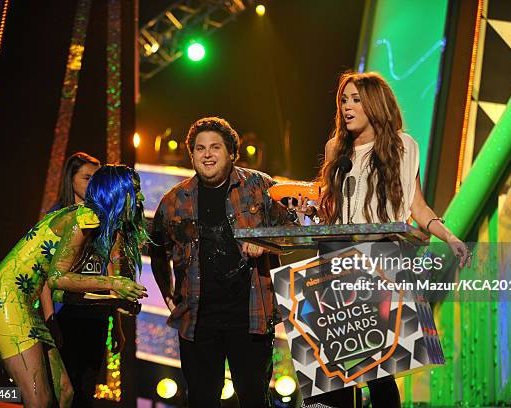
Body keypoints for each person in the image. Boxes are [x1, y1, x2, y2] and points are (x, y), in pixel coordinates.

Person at [313, 71, 471, 407]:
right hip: (334, 258)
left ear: (374, 104)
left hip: (380, 260)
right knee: (335, 369)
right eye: (343, 100)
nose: (347, 107)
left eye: (356, 100)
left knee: (378, 370)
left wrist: (449, 235)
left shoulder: (403, 146)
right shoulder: (335, 148)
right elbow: (327, 205)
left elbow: (417, 205)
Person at [150, 117, 297, 408]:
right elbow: (157, 249)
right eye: (200, 148)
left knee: (255, 398)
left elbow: (292, 230)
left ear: (231, 152)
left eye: (215, 147)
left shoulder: (260, 185)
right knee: (202, 401)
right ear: (191, 154)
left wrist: (264, 241)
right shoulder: (173, 200)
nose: (207, 154)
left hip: (250, 318)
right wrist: (168, 296)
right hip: (197, 321)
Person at [0, 165, 149, 408]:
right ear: (115, 192)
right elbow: (57, 278)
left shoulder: (94, 221)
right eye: (134, 190)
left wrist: (115, 301)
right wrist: (114, 283)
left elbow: (62, 291)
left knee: (65, 394)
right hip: (6, 300)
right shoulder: (86, 218)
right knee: (40, 400)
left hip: (22, 304)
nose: (140, 197)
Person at [43, 152, 120, 407]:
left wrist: (115, 324)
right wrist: (50, 319)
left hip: (96, 317)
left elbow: (106, 273)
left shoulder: (100, 219)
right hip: (66, 315)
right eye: (87, 177)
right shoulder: (57, 217)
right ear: (70, 178)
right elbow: (44, 273)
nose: (92, 183)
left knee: (86, 390)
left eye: (96, 178)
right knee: (63, 390)